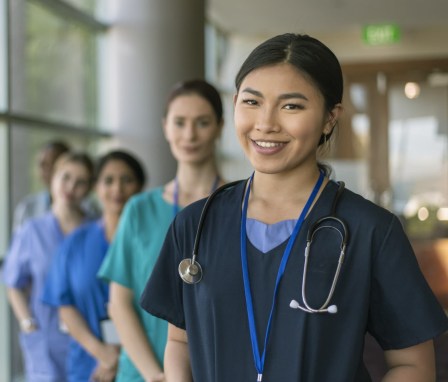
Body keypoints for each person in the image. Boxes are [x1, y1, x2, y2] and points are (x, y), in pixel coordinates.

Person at [140, 33, 448, 382]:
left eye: (291, 106)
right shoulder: (196, 223)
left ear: (330, 118)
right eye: (252, 102)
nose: (266, 123)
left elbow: (413, 365)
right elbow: (180, 340)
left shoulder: (370, 230)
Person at [97, 79, 226, 381]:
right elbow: (119, 303)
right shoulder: (139, 210)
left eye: (202, 123)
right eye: (179, 123)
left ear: (220, 127)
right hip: (142, 373)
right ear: (165, 126)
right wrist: (155, 374)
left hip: (213, 370)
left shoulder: (239, 207)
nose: (189, 135)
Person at [42, 150, 146, 382]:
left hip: (142, 362)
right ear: (96, 187)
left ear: (140, 187)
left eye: (127, 180)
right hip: (88, 366)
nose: (117, 189)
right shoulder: (75, 243)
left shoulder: (153, 244)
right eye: (108, 180)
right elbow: (64, 305)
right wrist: (103, 354)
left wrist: (120, 358)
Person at [3, 151, 95, 382]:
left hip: (89, 338)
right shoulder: (32, 231)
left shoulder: (96, 231)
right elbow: (12, 282)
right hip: (44, 336)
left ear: (89, 188)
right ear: (53, 178)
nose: (71, 187)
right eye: (65, 177)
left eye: (80, 182)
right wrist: (28, 324)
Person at [13, 140, 70, 230]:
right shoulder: (28, 207)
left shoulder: (88, 210)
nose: (41, 168)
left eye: (47, 163)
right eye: (40, 163)